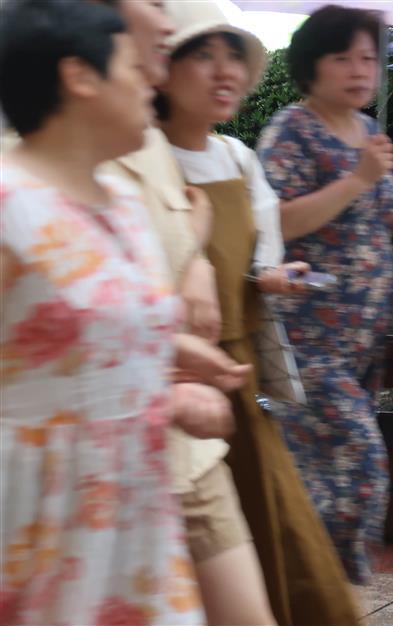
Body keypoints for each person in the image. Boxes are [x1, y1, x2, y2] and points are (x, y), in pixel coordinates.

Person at [0, 1, 228, 621]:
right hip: (37, 519)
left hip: (135, 518)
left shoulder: (124, 202)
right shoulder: (8, 201)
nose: (152, 80)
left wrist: (173, 394)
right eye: (133, 65)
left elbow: (104, 339)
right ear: (79, 76)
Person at [157, 2, 360, 623]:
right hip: (178, 372)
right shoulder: (142, 160)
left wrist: (271, 273)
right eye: (202, 55)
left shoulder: (236, 158)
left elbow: (263, 232)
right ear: (160, 70)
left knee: (270, 517)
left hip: (242, 366)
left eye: (231, 57)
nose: (224, 72)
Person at [96, 1, 275, 624]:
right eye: (200, 52)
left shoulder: (140, 133)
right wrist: (161, 380)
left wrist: (196, 257)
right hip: (95, 465)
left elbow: (175, 218)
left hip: (189, 450)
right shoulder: (28, 165)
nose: (162, 14)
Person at [256, 5, 393, 585]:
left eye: (368, 58)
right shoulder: (291, 130)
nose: (360, 70)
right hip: (307, 337)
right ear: (311, 66)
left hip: (362, 338)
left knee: (317, 471)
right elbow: (275, 223)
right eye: (343, 58)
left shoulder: (369, 131)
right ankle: (317, 579)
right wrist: (356, 180)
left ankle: (302, 586)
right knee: (359, 458)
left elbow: (367, 211)